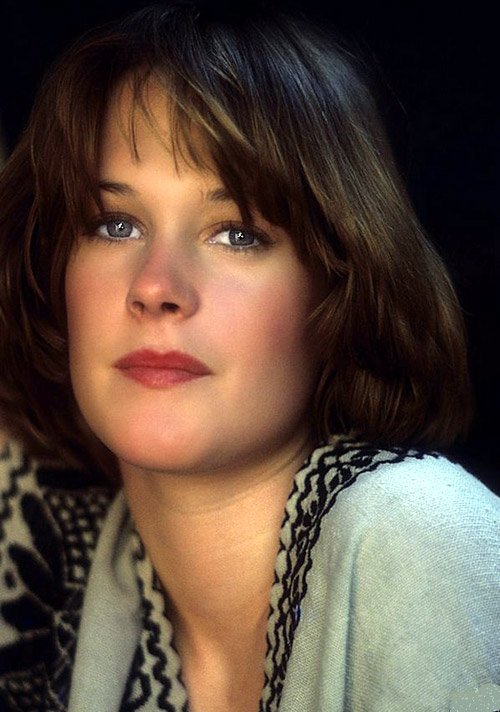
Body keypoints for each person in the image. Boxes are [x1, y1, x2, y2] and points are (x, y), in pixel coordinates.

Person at [0, 3, 498, 711]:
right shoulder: (74, 573)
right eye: (116, 224)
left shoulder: (424, 539)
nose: (156, 288)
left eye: (236, 233)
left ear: (339, 286)